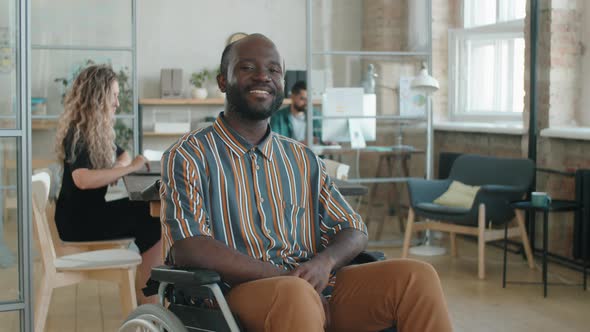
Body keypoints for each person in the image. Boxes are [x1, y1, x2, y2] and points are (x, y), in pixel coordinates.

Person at [161, 34, 452, 332]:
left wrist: (324, 263)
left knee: (416, 276)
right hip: (234, 296)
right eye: (248, 68)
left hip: (316, 286)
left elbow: (353, 228)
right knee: (295, 294)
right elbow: (189, 247)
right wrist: (282, 276)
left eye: (274, 70)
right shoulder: (188, 155)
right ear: (224, 81)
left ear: (282, 83)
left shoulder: (303, 159)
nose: (263, 76)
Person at [54, 65, 162, 304]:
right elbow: (81, 180)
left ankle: (148, 298)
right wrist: (129, 169)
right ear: (98, 96)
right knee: (151, 217)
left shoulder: (95, 130)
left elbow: (122, 154)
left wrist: (117, 168)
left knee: (150, 215)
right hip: (78, 222)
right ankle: (150, 301)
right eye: (113, 96)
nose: (117, 103)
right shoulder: (79, 133)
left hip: (87, 214)